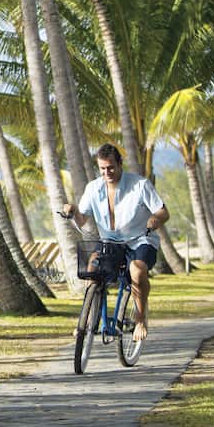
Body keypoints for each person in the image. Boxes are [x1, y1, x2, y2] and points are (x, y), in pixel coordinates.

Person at [62, 143, 169, 343]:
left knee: (137, 270)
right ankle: (87, 322)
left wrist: (155, 219)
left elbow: (163, 212)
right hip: (110, 242)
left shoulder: (140, 185)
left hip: (140, 239)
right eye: (102, 169)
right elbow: (82, 219)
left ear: (120, 164)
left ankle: (140, 319)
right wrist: (73, 210)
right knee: (92, 269)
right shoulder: (93, 188)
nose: (106, 173)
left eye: (110, 167)